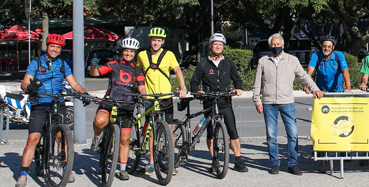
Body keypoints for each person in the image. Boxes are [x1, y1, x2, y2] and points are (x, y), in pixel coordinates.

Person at [17, 33, 88, 187]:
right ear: (47, 47)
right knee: (33, 138)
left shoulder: (63, 64)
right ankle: (23, 174)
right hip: (40, 104)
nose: (55, 49)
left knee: (62, 137)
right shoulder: (36, 62)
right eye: (52, 46)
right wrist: (29, 87)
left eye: (58, 47)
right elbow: (24, 83)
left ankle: (66, 168)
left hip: (57, 103)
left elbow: (74, 83)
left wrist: (84, 93)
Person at [252, 33, 323, 175]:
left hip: (287, 102)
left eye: (278, 44)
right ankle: (274, 163)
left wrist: (315, 88)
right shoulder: (263, 61)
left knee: (293, 134)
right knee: (271, 135)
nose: (275, 47)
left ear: (283, 46)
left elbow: (303, 76)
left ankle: (293, 163)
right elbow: (257, 83)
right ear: (270, 45)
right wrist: (257, 101)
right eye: (273, 44)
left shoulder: (292, 60)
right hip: (268, 103)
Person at [88, 36, 146, 182]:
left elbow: (141, 87)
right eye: (126, 51)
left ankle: (122, 169)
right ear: (122, 51)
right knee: (100, 120)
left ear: (135, 53)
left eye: (132, 52)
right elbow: (95, 73)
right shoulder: (113, 64)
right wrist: (93, 65)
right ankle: (96, 138)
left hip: (127, 104)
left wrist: (146, 97)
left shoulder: (137, 70)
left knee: (125, 140)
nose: (129, 54)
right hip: (110, 101)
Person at [190, 33, 247, 173]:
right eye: (215, 44)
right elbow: (194, 81)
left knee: (233, 130)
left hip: (224, 100)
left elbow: (237, 79)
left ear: (223, 47)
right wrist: (197, 91)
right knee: (210, 132)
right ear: (210, 46)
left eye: (220, 44)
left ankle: (238, 160)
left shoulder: (228, 63)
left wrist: (238, 88)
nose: (218, 46)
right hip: (209, 101)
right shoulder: (203, 63)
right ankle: (214, 160)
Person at [136, 27, 188, 174]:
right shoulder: (142, 55)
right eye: (153, 40)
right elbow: (137, 72)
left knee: (169, 128)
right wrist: (138, 89)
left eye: (159, 40)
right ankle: (152, 163)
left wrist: (182, 87)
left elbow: (178, 70)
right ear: (150, 40)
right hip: (149, 97)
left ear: (163, 41)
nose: (156, 43)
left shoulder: (169, 54)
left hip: (165, 96)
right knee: (151, 131)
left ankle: (170, 162)